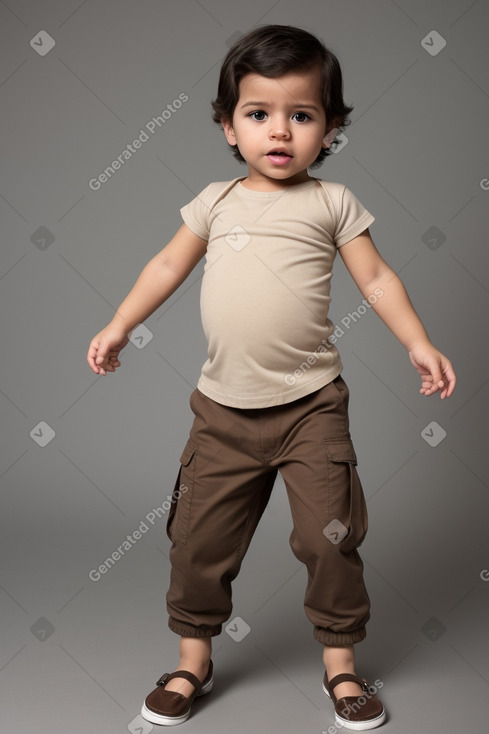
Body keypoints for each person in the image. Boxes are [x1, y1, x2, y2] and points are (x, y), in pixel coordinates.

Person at [87, 24, 456, 730]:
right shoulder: (215, 202)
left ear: (331, 128)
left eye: (302, 114)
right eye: (258, 114)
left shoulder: (332, 204)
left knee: (330, 537)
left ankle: (341, 664)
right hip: (222, 413)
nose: (278, 131)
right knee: (198, 541)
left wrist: (416, 339)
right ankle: (192, 658)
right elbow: (166, 265)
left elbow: (375, 277)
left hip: (310, 409)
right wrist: (119, 324)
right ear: (228, 126)